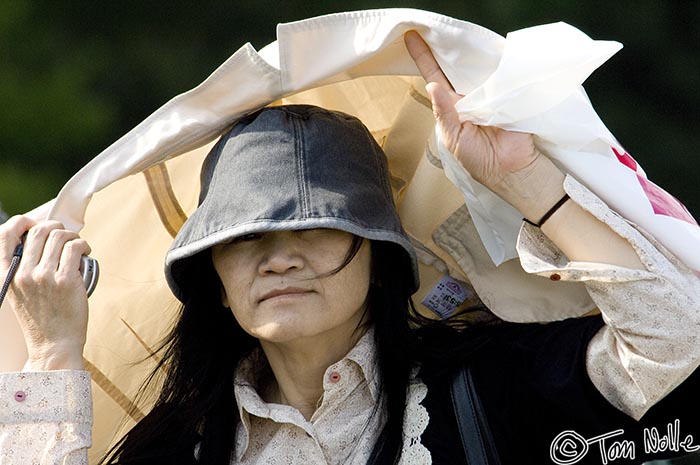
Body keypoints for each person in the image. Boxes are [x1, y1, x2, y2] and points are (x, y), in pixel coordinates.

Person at [1, 31, 699, 465]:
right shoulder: (173, 448)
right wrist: (52, 354)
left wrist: (532, 186)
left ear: (381, 253)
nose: (280, 257)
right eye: (243, 237)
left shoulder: (488, 389)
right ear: (211, 274)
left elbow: (679, 340)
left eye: (317, 226)